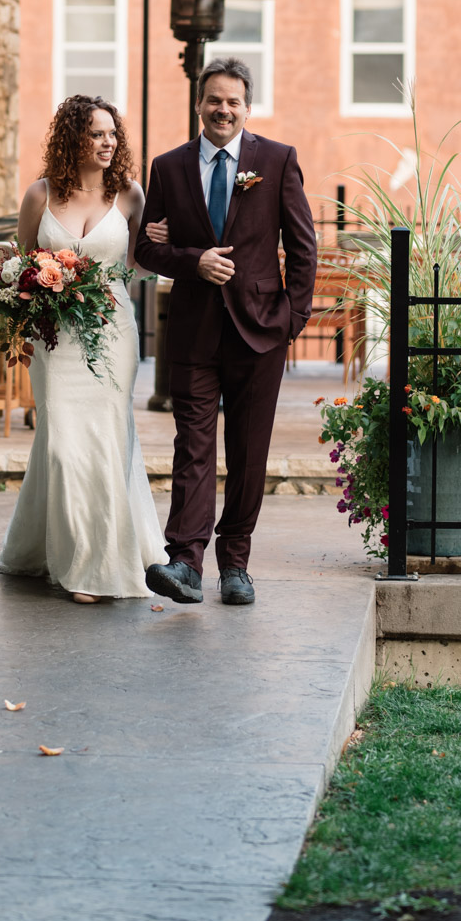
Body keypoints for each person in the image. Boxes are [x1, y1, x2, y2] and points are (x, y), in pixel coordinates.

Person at [134, 56, 317, 606]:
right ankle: (185, 561)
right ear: (198, 104)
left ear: (247, 107)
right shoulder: (167, 168)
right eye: (214, 99)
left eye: (233, 101)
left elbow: (303, 245)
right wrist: (193, 261)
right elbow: (146, 247)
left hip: (260, 332)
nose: (223, 109)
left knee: (248, 451)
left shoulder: (277, 161)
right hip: (192, 333)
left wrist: (293, 319)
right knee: (192, 445)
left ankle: (235, 564)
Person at [0, 95, 166, 602]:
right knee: (62, 447)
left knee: (107, 442)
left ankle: (97, 567)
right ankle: (58, 548)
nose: (108, 142)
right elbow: (22, 266)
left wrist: (159, 241)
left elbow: (140, 265)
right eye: (96, 133)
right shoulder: (39, 195)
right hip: (55, 338)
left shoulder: (131, 195)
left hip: (112, 333)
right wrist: (20, 291)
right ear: (73, 138)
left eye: (112, 133)